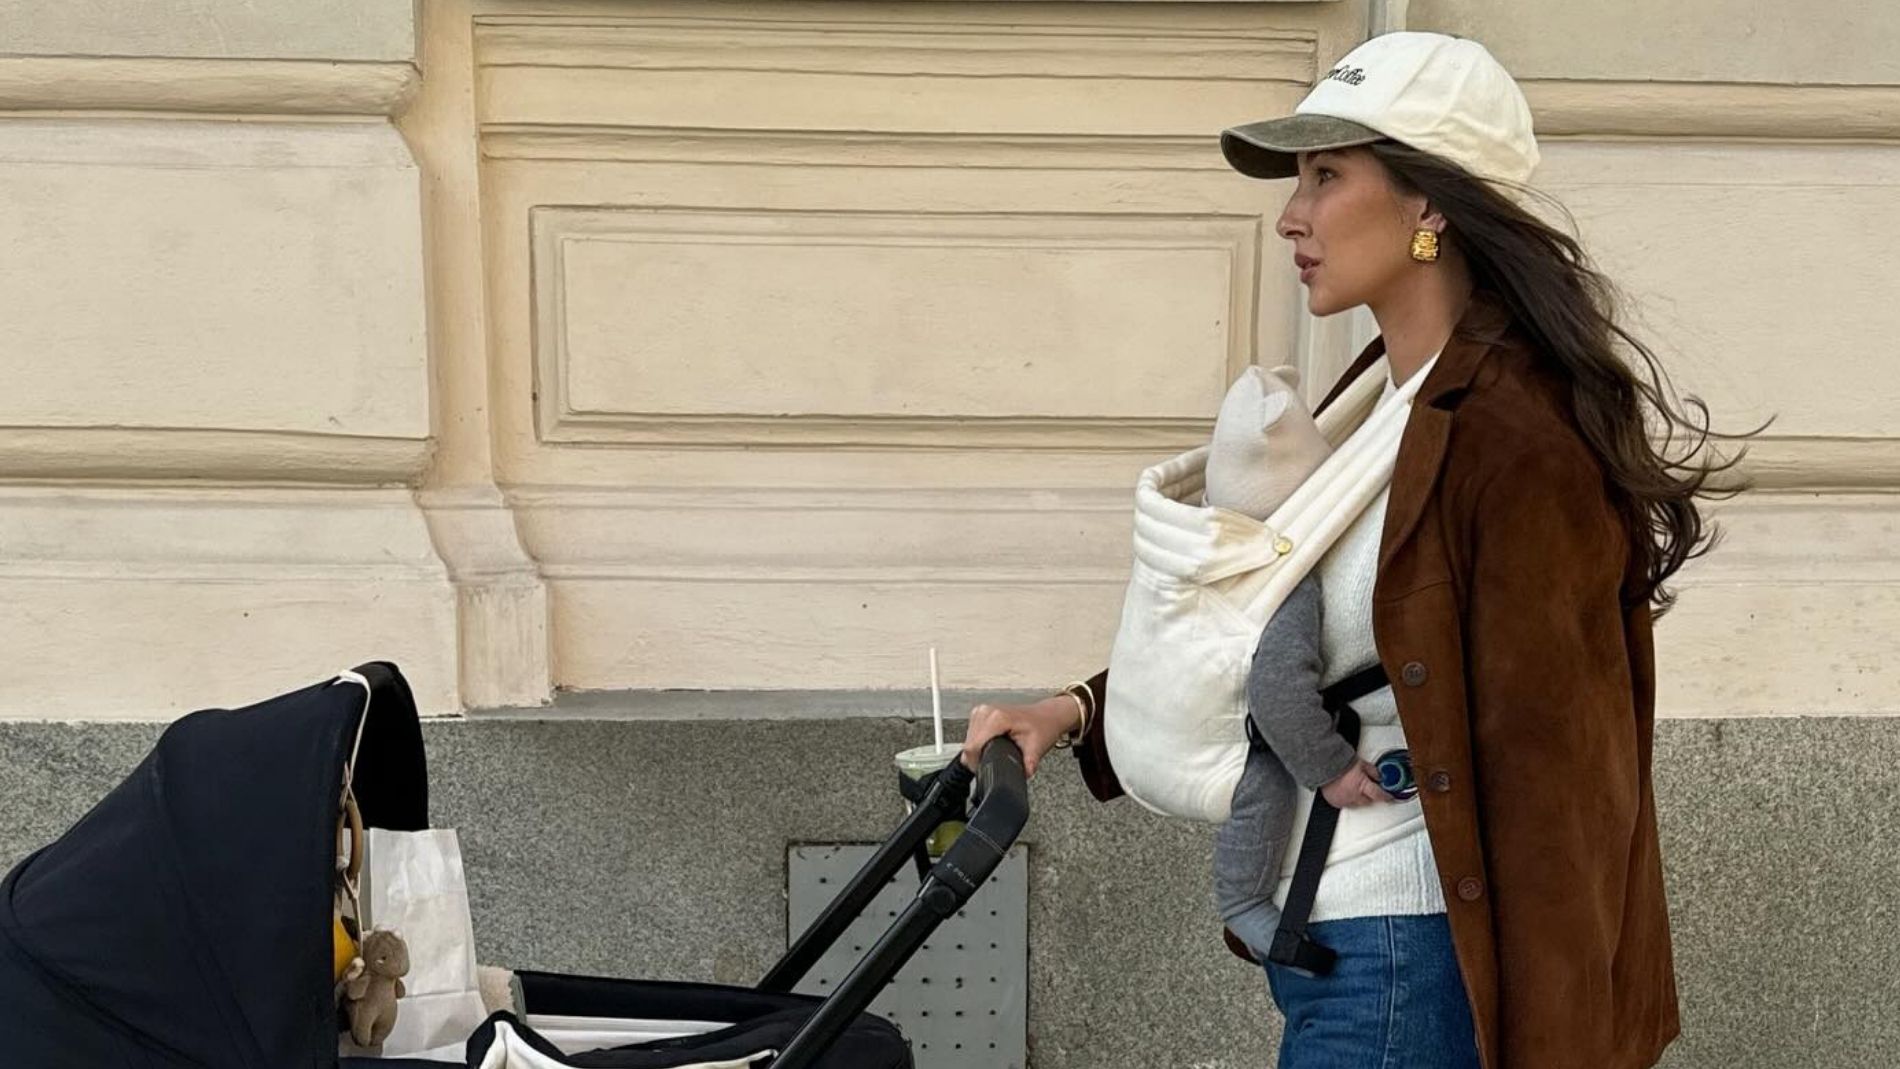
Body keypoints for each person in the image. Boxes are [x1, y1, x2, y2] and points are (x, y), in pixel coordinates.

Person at [961, 30, 1761, 1069]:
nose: (1292, 214)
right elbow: (1304, 633)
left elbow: (1562, 778)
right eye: (1298, 178)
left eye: (1328, 175)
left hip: (1410, 960)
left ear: (1430, 203)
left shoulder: (1514, 433)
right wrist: (1075, 710)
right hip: (1341, 948)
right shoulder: (1379, 403)